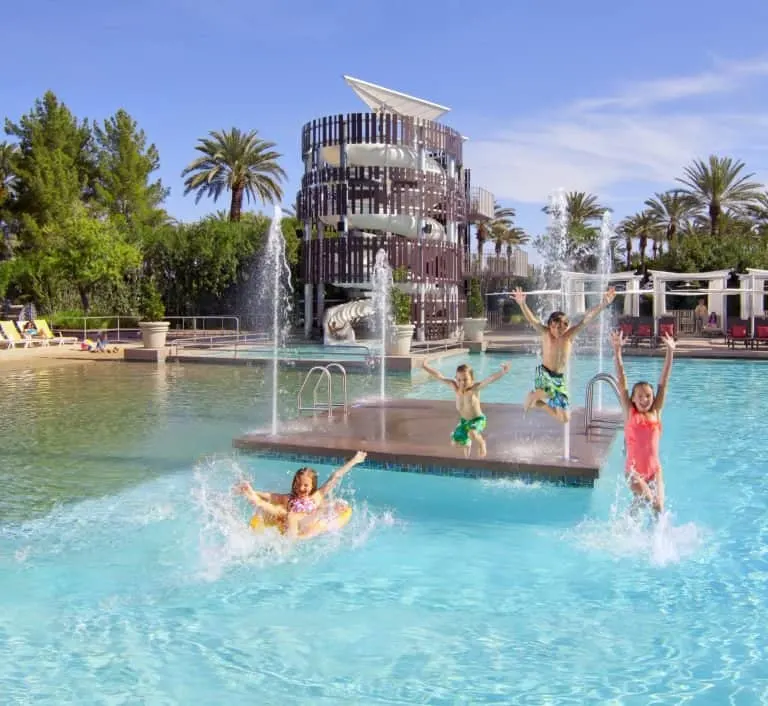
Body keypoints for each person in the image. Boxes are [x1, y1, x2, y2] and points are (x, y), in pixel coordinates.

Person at [512, 286, 616, 422]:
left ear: (567, 326)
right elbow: (532, 320)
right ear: (549, 325)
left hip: (559, 379)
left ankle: (540, 404)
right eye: (554, 327)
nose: (557, 330)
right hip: (545, 374)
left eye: (561, 327)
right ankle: (532, 396)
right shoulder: (545, 333)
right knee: (548, 392)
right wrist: (522, 304)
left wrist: (604, 303)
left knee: (564, 419)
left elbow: (587, 319)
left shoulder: (569, 336)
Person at [610, 329, 675, 515]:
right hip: (634, 472)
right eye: (640, 396)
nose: (645, 399)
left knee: (658, 508)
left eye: (648, 395)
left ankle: (647, 536)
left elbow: (664, 381)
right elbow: (622, 381)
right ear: (633, 398)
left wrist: (670, 352)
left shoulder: (656, 412)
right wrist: (617, 352)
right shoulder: (630, 412)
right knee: (649, 499)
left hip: (655, 471)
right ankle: (631, 522)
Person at [234, 450, 367, 538]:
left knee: (297, 513)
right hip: (291, 522)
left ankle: (289, 544)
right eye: (298, 485)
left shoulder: (316, 496)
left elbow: (335, 476)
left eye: (305, 485)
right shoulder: (289, 498)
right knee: (280, 510)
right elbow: (271, 496)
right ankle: (253, 498)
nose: (301, 488)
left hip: (308, 521)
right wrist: (254, 492)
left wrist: (354, 461)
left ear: (312, 486)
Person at [421, 358, 511, 458]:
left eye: (465, 379)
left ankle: (482, 443)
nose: (462, 383)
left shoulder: (474, 389)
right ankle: (467, 446)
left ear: (472, 380)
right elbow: (439, 376)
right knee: (455, 443)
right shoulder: (455, 387)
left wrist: (503, 371)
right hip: (465, 421)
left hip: (478, 420)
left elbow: (489, 380)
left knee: (472, 432)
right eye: (459, 380)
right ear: (456, 378)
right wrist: (425, 366)